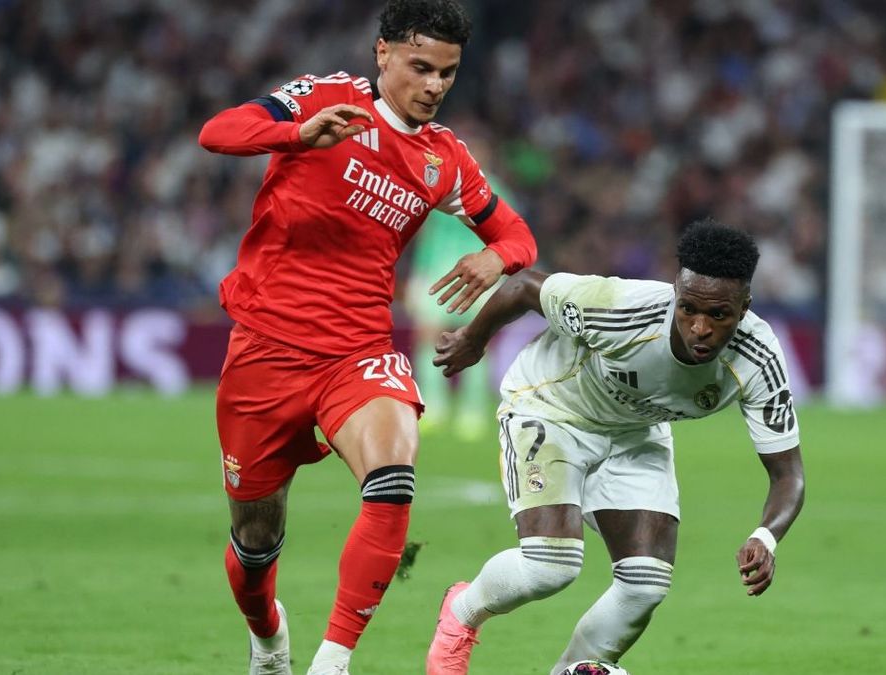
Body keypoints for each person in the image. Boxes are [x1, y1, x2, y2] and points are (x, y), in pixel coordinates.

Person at [197, 1, 538, 673]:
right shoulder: (322, 98)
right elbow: (217, 131)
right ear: (382, 54)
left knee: (392, 478)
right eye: (421, 67)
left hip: (357, 352)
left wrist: (497, 258)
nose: (435, 85)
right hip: (265, 350)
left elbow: (516, 233)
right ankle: (267, 636)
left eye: (448, 72)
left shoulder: (444, 160)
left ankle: (332, 660)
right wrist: (297, 137)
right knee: (255, 539)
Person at [425, 220, 805, 674]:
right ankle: (461, 615)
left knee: (645, 584)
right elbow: (526, 287)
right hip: (553, 406)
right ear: (675, 293)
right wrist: (472, 339)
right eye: (688, 309)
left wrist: (766, 536)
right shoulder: (621, 309)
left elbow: (788, 474)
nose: (699, 328)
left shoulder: (758, 358)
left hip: (636, 432)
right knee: (552, 566)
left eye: (718, 315)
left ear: (744, 308)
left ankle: (576, 670)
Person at [403, 132, 515, 440]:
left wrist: (501, 272)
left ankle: (473, 411)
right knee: (430, 337)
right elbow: (424, 233)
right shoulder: (440, 188)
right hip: (440, 272)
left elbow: (507, 237)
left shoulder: (497, 190)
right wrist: (418, 274)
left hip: (481, 275)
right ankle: (433, 406)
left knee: (478, 342)